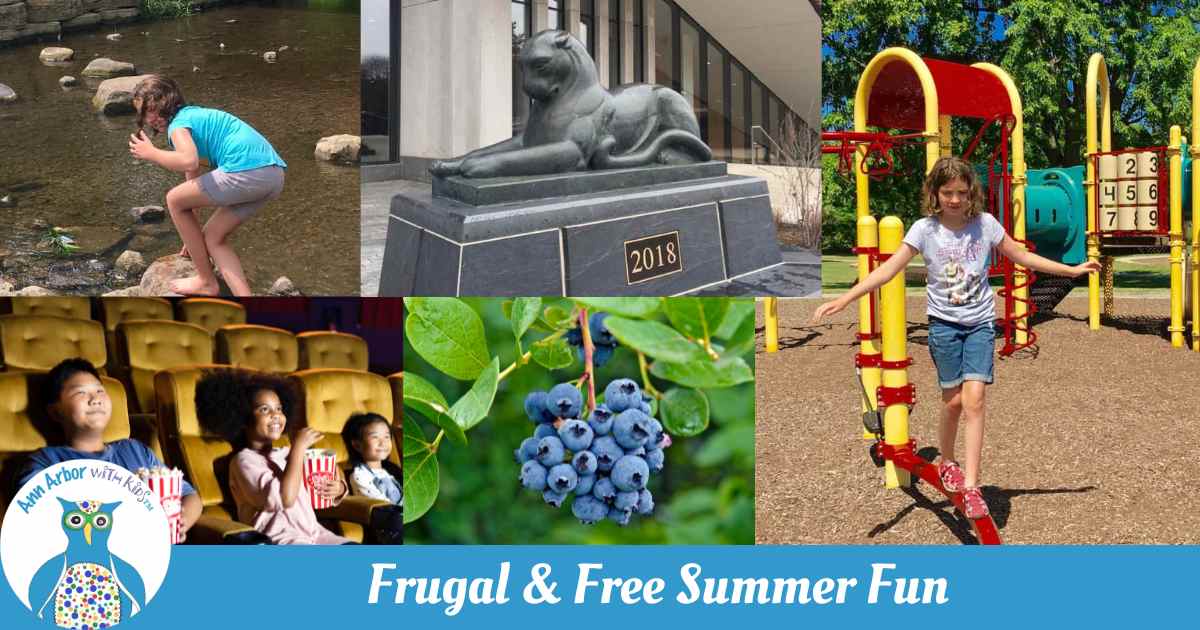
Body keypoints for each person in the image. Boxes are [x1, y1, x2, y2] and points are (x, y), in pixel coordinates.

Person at [811, 156, 1101, 519]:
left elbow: (1023, 257)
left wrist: (1071, 269)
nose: (954, 200)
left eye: (962, 193)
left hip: (979, 324)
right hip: (944, 327)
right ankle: (947, 460)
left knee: (975, 399)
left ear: (971, 194)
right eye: (947, 192)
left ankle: (972, 484)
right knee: (952, 403)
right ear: (935, 193)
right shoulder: (924, 230)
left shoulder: (986, 225)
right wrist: (844, 298)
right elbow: (887, 270)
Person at [128, 75, 286, 297]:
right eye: (143, 114)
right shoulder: (194, 116)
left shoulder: (179, 125)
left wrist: (152, 153)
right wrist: (192, 240)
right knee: (212, 236)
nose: (148, 119)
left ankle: (205, 281)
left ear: (166, 102)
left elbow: (189, 161)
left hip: (246, 169)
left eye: (150, 109)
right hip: (272, 174)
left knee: (173, 199)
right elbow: (192, 181)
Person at [18, 358, 203, 541]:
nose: (95, 399)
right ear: (55, 412)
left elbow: (189, 494)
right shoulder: (46, 462)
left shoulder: (135, 450)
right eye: (80, 393)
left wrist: (180, 521)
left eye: (100, 391)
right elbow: (36, 517)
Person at [195, 369, 351, 545]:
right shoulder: (243, 462)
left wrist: (339, 487)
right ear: (244, 419)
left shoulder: (285, 453)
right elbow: (285, 499)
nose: (276, 414)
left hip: (316, 534)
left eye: (279, 408)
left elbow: (331, 470)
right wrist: (298, 448)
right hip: (280, 540)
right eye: (264, 409)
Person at [341, 413, 403, 507]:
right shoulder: (359, 476)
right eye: (375, 437)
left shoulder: (393, 470)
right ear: (357, 445)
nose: (383, 443)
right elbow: (383, 507)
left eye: (386, 437)